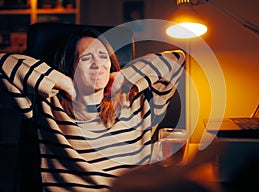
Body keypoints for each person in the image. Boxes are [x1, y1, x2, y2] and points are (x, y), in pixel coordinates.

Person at [0, 28, 185, 191]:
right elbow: (3, 64)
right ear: (70, 66)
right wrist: (63, 82)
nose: (98, 64)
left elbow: (177, 59)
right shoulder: (48, 105)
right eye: (86, 57)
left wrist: (124, 76)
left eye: (103, 56)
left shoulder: (137, 101)